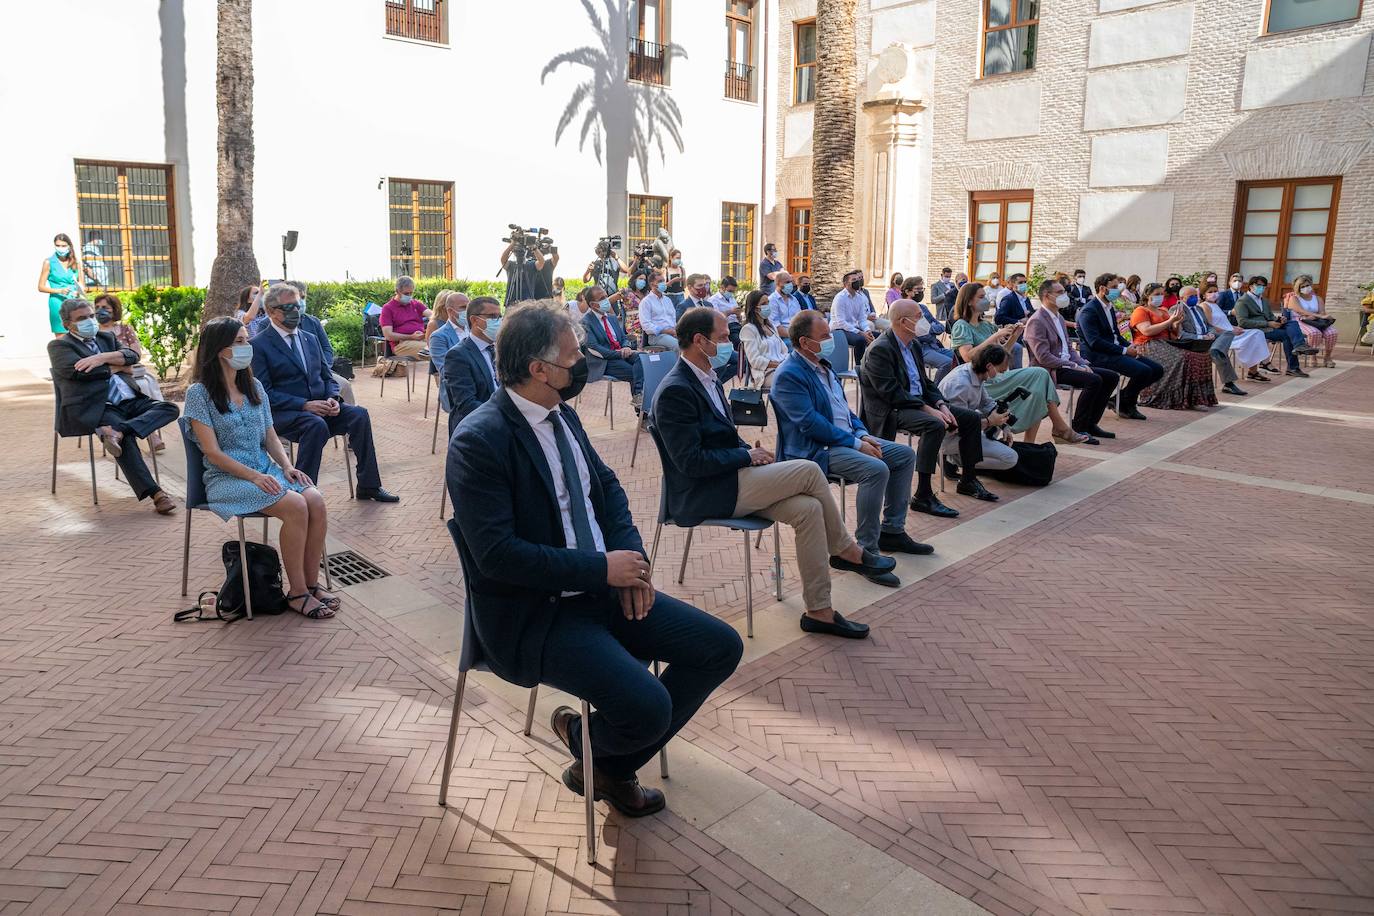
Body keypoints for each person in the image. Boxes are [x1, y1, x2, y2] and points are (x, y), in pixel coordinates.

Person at [447, 303, 743, 817]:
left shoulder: (562, 415)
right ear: (539, 370)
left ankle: (601, 763)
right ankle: (597, 747)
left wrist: (631, 562)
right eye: (573, 355)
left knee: (719, 647)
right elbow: (497, 556)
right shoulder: (479, 440)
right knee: (649, 705)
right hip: (536, 614)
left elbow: (606, 491)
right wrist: (602, 569)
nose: (583, 361)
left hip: (601, 588)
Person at [652, 308, 901, 638]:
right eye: (724, 338)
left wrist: (750, 453)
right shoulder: (676, 390)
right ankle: (847, 550)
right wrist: (745, 455)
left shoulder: (708, 377)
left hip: (733, 481)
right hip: (708, 492)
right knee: (810, 471)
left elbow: (721, 435)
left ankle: (819, 611)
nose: (730, 344)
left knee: (809, 510)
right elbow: (690, 462)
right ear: (700, 341)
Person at [184, 318, 336, 619]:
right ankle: (297, 593)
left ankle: (310, 584)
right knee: (295, 505)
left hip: (265, 469)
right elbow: (212, 452)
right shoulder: (198, 394)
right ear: (219, 350)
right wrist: (254, 475)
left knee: (315, 500)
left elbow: (269, 435)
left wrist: (287, 466)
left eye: (246, 340)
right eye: (239, 342)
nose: (246, 347)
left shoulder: (253, 386)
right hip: (227, 477)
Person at [771, 311, 917, 575]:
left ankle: (893, 530)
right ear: (805, 342)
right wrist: (856, 444)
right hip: (815, 450)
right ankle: (865, 552)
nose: (831, 339)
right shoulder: (789, 375)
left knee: (904, 455)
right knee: (876, 469)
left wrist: (861, 435)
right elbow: (810, 424)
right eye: (825, 335)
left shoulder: (824, 366)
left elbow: (845, 411)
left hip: (844, 440)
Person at [250, 285, 399, 502]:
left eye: (298, 306)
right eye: (289, 307)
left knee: (359, 415)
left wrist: (333, 398)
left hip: (321, 408)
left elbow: (327, 376)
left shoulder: (309, 338)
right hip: (286, 414)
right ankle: (304, 492)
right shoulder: (259, 345)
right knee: (315, 425)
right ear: (272, 311)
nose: (296, 312)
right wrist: (304, 405)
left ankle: (369, 485)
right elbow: (265, 393)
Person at [859, 300, 996, 509]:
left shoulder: (912, 343)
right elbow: (891, 393)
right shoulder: (880, 349)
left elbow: (925, 382)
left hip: (916, 402)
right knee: (934, 425)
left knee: (970, 418)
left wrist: (941, 404)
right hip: (891, 409)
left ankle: (968, 479)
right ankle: (923, 494)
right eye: (918, 316)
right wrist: (929, 409)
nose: (923, 321)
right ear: (904, 322)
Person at [48, 298, 179, 514]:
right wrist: (116, 367)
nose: (90, 320)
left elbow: (132, 356)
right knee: (126, 442)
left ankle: (118, 431)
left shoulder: (106, 337)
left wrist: (102, 357)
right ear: (67, 325)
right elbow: (78, 372)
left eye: (91, 316)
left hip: (131, 400)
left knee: (170, 409)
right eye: (82, 318)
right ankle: (157, 494)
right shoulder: (59, 345)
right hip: (99, 406)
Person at [951, 283, 1091, 443]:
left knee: (1038, 388)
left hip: (994, 376)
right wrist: (995, 336)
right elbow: (968, 357)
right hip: (978, 380)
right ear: (968, 301)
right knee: (1040, 373)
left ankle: (1033, 442)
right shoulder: (961, 325)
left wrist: (1014, 336)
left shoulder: (985, 325)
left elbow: (1000, 356)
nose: (986, 300)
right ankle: (1059, 428)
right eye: (981, 297)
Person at [1023, 279, 1120, 439]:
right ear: (1047, 296)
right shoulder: (1037, 321)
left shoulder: (1059, 318)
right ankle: (1079, 426)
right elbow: (1043, 357)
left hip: (1067, 365)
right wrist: (1073, 365)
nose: (1065, 295)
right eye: (1060, 292)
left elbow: (1069, 348)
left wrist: (1081, 363)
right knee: (1093, 380)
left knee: (1111, 377)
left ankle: (1091, 424)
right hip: (1051, 369)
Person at [1075, 273, 1165, 420]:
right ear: (1103, 288)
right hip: (1099, 355)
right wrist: (1124, 350)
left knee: (1156, 370)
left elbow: (1115, 335)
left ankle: (1122, 400)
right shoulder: (1089, 310)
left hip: (1115, 350)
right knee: (1143, 371)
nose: (1118, 290)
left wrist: (1131, 345)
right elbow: (1094, 342)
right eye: (1114, 287)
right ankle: (1127, 403)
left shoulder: (1109, 307)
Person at [92, 293, 168, 450]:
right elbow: (97, 362)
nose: (100, 311)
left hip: (129, 373)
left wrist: (116, 364)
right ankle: (150, 435)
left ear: (114, 309)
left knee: (140, 388)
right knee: (127, 393)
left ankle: (118, 431)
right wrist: (121, 363)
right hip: (109, 377)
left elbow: (135, 355)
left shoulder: (125, 329)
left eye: (105, 308)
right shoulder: (92, 332)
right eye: (97, 308)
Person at [1127, 285, 1219, 410]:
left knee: (1202, 355)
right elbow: (1147, 331)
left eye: (1161, 294)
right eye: (1157, 294)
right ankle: (1174, 397)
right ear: (1147, 295)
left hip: (1167, 343)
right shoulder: (1141, 310)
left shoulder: (1163, 310)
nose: (1160, 296)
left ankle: (1196, 398)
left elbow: (1173, 332)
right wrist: (1170, 321)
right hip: (1148, 344)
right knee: (1186, 358)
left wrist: (1176, 324)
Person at [938, 346, 1020, 477]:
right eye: (1001, 371)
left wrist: (1004, 425)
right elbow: (955, 427)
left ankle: (967, 456)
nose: (1002, 374)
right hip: (947, 438)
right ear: (989, 366)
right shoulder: (960, 385)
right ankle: (955, 459)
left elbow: (987, 403)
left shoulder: (975, 372)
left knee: (997, 413)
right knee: (1009, 458)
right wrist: (989, 422)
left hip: (963, 429)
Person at [1234, 275, 1317, 377]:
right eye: (1259, 285)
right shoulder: (1242, 301)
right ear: (1251, 286)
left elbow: (1270, 316)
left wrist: (1278, 319)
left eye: (1264, 286)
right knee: (1287, 335)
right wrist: (1268, 323)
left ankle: (1299, 346)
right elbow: (1243, 322)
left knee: (1292, 323)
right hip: (1256, 331)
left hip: (1269, 327)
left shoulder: (1263, 300)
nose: (1262, 288)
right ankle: (1293, 365)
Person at [442, 296, 501, 437]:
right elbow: (466, 404)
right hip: (477, 428)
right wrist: (505, 414)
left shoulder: (499, 349)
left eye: (499, 316)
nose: (498, 321)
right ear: (475, 320)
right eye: (492, 316)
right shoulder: (458, 356)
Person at [1176, 285, 1247, 396]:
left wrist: (1210, 333)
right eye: (1191, 296)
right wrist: (1201, 337)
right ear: (1181, 298)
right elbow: (1180, 334)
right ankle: (1229, 384)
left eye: (1196, 295)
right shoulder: (1177, 310)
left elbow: (1208, 325)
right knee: (1219, 353)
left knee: (1228, 332)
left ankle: (1216, 349)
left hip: (1207, 338)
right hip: (1193, 341)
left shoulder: (1198, 308)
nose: (1194, 298)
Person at [581, 285, 645, 403]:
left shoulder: (611, 318)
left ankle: (638, 396)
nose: (607, 300)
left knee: (643, 359)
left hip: (621, 354)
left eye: (606, 296)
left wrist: (626, 346)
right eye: (602, 298)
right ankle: (640, 405)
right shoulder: (586, 322)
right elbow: (594, 348)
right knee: (636, 372)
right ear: (593, 304)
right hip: (603, 361)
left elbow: (623, 337)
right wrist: (619, 354)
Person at [1201, 282, 1269, 382]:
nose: (1214, 294)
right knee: (1256, 335)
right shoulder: (1205, 306)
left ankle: (1254, 369)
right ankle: (1259, 366)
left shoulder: (1215, 305)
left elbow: (1223, 322)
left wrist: (1235, 327)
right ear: (1204, 295)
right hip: (1223, 336)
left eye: (1215, 291)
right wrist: (1231, 331)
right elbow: (1211, 326)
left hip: (1231, 331)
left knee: (1257, 333)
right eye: (1210, 292)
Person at [680, 274, 735, 382]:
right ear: (690, 287)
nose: (704, 288)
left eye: (705, 285)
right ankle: (708, 382)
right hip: (699, 344)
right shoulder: (684, 306)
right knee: (720, 363)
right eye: (699, 285)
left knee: (741, 360)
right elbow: (683, 332)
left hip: (715, 342)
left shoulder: (708, 304)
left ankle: (715, 382)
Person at [899, 277, 953, 373]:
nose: (921, 292)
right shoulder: (903, 309)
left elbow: (940, 327)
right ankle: (937, 387)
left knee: (959, 357)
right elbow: (919, 334)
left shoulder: (922, 307)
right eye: (918, 289)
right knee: (947, 363)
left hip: (934, 346)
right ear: (907, 291)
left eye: (922, 289)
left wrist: (928, 328)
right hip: (919, 349)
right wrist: (929, 329)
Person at [738, 289, 789, 389]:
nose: (768, 306)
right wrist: (778, 365)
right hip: (764, 373)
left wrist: (787, 363)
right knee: (792, 381)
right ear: (755, 308)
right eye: (764, 303)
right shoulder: (748, 329)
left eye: (768, 302)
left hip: (781, 368)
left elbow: (784, 350)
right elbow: (755, 360)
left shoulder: (772, 327)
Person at [1285, 275, 1338, 368]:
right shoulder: (1294, 298)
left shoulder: (1318, 298)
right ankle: (1313, 357)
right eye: (1303, 287)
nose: (1306, 288)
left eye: (1307, 285)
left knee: (1332, 333)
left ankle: (1327, 357)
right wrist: (1316, 315)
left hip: (1316, 321)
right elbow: (1301, 311)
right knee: (1314, 333)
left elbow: (1322, 312)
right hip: (1300, 320)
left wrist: (1320, 316)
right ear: (1298, 288)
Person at [39, 233, 83, 337]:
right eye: (57, 245)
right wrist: (59, 291)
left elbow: (81, 283)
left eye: (63, 246)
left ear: (69, 246)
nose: (60, 248)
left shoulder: (75, 262)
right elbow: (40, 287)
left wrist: (80, 291)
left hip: (74, 301)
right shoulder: (49, 262)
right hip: (57, 301)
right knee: (61, 336)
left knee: (79, 334)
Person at [831, 269, 877, 367]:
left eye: (858, 279)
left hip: (853, 328)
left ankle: (873, 366)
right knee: (860, 340)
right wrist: (861, 333)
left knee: (878, 337)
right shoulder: (840, 298)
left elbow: (861, 319)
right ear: (846, 284)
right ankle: (859, 368)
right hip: (839, 330)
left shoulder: (860, 297)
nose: (858, 282)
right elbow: (841, 322)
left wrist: (867, 331)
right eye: (854, 280)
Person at [637, 268, 679, 351]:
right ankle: (677, 364)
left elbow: (674, 319)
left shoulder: (668, 300)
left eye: (663, 281)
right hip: (657, 336)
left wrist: (675, 331)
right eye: (660, 281)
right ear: (652, 284)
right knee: (677, 345)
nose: (663, 283)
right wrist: (665, 331)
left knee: (692, 344)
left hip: (673, 333)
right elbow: (646, 325)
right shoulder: (646, 302)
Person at [428, 292, 470, 377]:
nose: (467, 311)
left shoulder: (475, 330)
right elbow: (447, 372)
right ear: (450, 311)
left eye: (468, 307)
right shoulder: (438, 336)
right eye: (463, 307)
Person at [500, 236, 546, 306]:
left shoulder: (531, 265)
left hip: (528, 303)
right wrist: (512, 244)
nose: (518, 250)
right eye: (516, 248)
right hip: (512, 303)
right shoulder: (511, 265)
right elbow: (503, 259)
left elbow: (541, 261)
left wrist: (533, 247)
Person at [709, 275, 742, 350]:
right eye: (730, 291)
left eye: (733, 291)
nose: (731, 294)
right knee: (738, 341)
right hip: (726, 327)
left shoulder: (732, 299)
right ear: (722, 287)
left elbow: (739, 319)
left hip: (737, 325)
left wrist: (738, 315)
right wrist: (730, 311)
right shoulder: (713, 300)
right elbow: (716, 318)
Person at [664, 249, 686, 315]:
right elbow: (663, 285)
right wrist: (673, 280)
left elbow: (684, 285)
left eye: (680, 258)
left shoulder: (682, 269)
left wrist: (684, 279)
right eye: (677, 258)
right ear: (671, 258)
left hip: (680, 295)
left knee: (680, 315)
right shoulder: (666, 270)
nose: (679, 260)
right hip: (669, 296)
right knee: (669, 314)